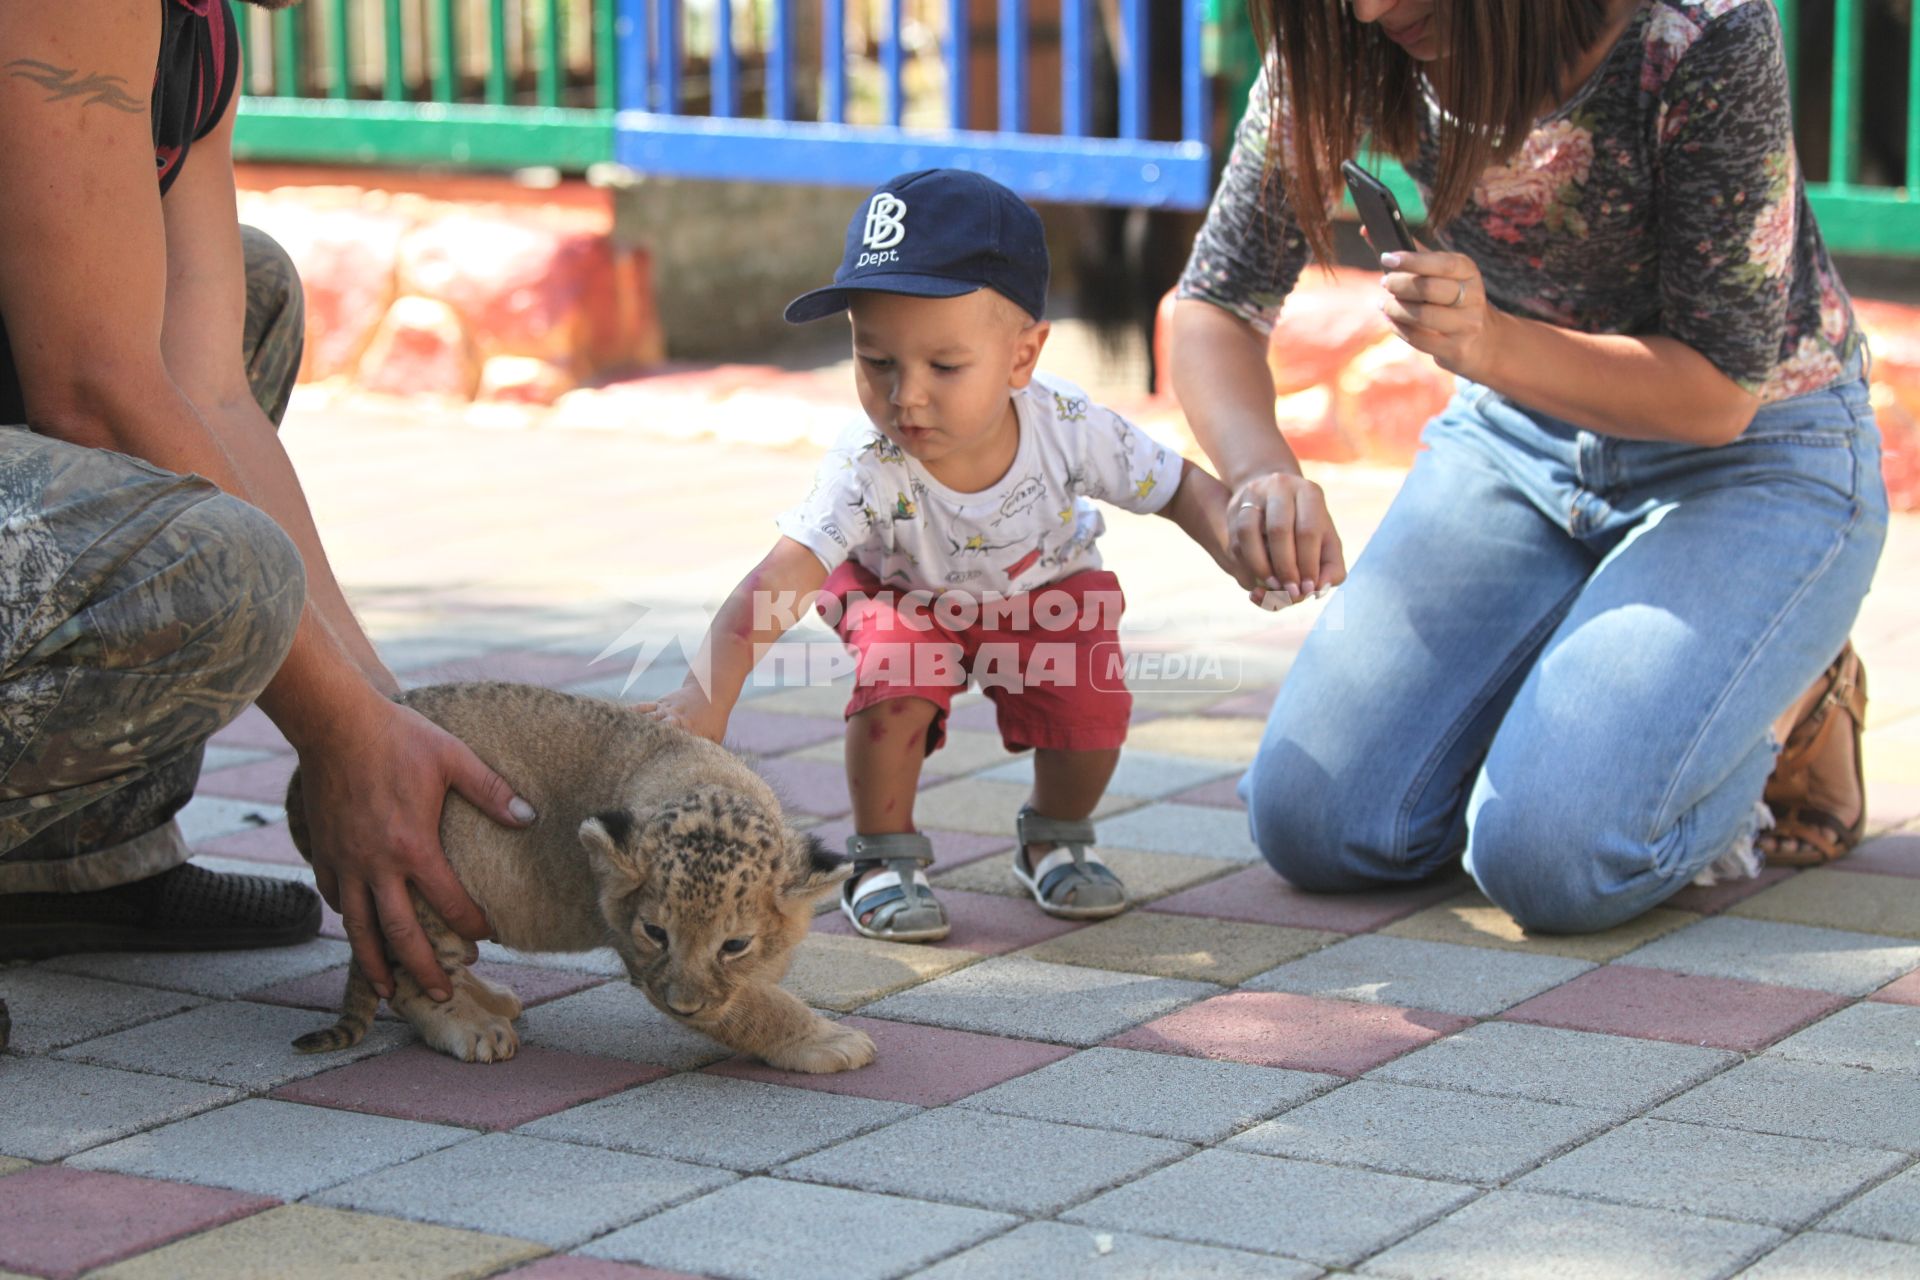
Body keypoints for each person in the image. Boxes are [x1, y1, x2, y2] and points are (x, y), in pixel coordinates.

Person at [1170, 0, 1887, 933]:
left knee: (1554, 860)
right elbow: (1215, 300)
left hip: (1754, 454)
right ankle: (1606, 699)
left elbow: (1719, 396)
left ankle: (1797, 693)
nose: (1369, 10)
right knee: (1317, 821)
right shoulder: (1349, 30)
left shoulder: (1698, 31)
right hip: (1519, 438)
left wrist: (1494, 344)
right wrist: (1262, 470)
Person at [0, 0, 536, 1051]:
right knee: (223, 566)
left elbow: (205, 393)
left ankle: (57, 867)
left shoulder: (194, 23)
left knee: (245, 290)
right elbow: (95, 393)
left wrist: (396, 723)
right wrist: (336, 731)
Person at [642, 169, 1255, 940]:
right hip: (899, 591)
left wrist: (1238, 545)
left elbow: (1175, 486)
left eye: (944, 366)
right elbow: (778, 578)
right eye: (877, 362)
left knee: (1091, 708)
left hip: (1045, 589)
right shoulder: (867, 463)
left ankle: (1054, 838)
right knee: (899, 668)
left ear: (1022, 357)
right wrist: (710, 694)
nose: (907, 397)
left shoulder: (1065, 423)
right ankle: (883, 856)